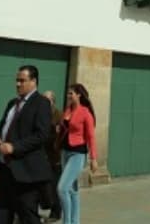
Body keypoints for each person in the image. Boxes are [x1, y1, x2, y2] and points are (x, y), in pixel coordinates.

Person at [0, 65, 53, 224]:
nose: (17, 84)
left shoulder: (41, 103)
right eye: (17, 80)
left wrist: (14, 147)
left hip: (26, 174)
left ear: (33, 81)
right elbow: (2, 127)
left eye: (22, 80)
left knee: (27, 216)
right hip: (4, 170)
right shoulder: (12, 103)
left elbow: (42, 135)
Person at [58, 83, 98, 224]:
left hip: (78, 154)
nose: (68, 96)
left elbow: (91, 137)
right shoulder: (68, 110)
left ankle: (67, 222)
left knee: (62, 189)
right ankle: (75, 222)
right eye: (68, 93)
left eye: (71, 94)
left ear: (79, 95)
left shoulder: (85, 112)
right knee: (72, 190)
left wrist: (94, 158)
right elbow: (65, 127)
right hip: (65, 151)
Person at [40, 91, 63, 222]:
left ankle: (55, 213)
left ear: (53, 102)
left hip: (54, 157)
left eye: (47, 100)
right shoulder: (39, 114)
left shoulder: (58, 115)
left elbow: (59, 136)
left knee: (54, 186)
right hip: (40, 157)